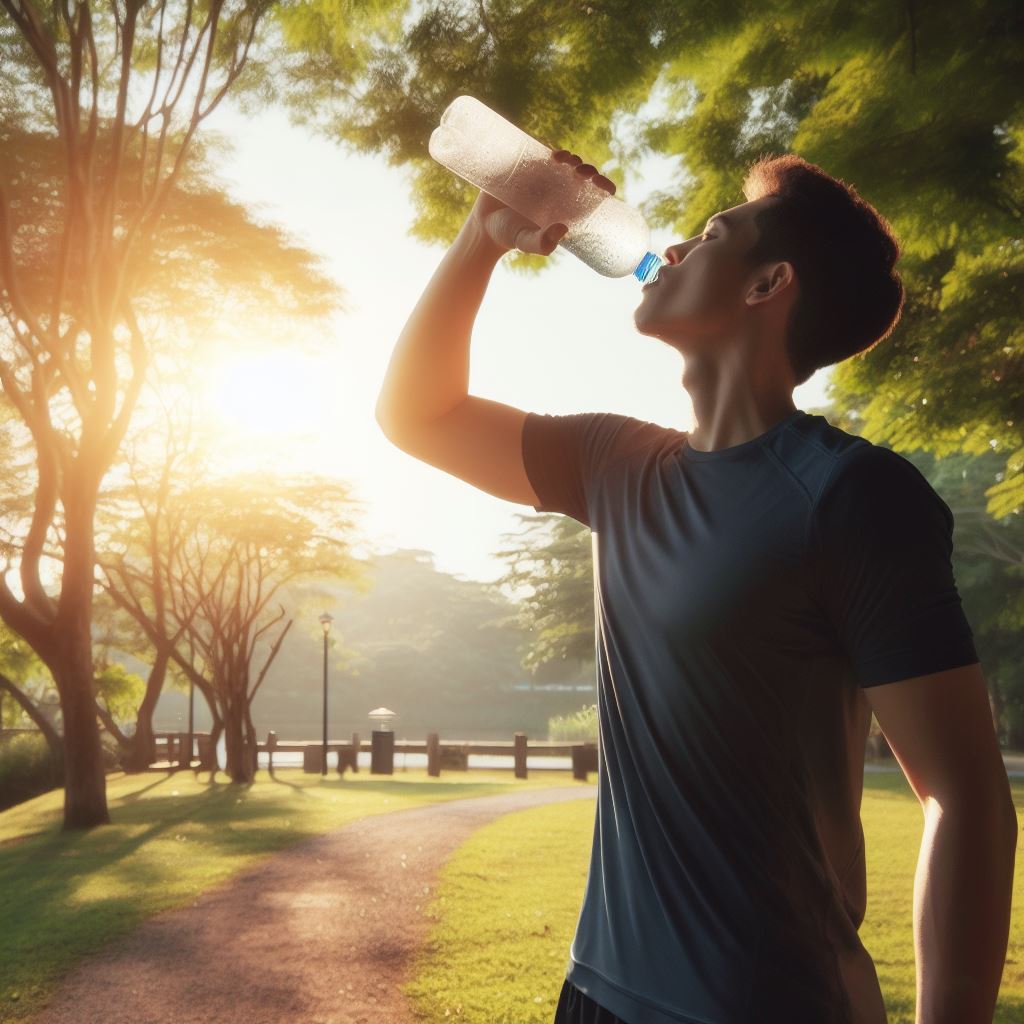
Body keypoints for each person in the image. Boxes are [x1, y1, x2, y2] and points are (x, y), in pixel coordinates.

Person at [375, 149, 1017, 1024]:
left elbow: (966, 797)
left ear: (767, 285)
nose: (672, 247)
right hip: (595, 990)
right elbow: (418, 414)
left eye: (714, 234)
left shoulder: (851, 495)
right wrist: (479, 240)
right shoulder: (612, 461)